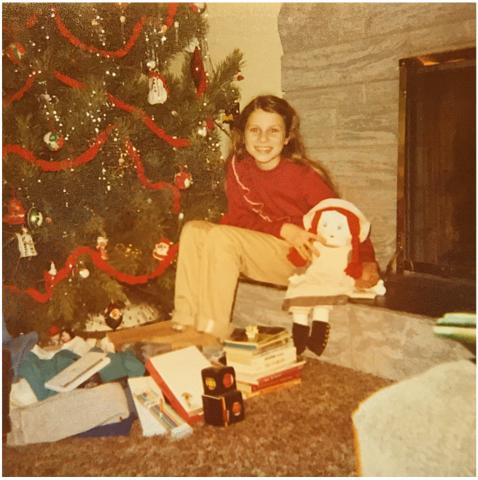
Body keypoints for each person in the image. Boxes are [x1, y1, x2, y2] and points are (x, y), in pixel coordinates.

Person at [171, 95, 379, 348]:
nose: (263, 139)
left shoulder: (303, 176)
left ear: (287, 137)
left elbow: (347, 220)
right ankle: (186, 323)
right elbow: (238, 218)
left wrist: (367, 260)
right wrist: (283, 229)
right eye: (255, 130)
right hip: (271, 245)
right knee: (194, 230)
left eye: (273, 131)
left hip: (303, 259)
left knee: (221, 236)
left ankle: (212, 334)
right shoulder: (239, 167)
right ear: (243, 134)